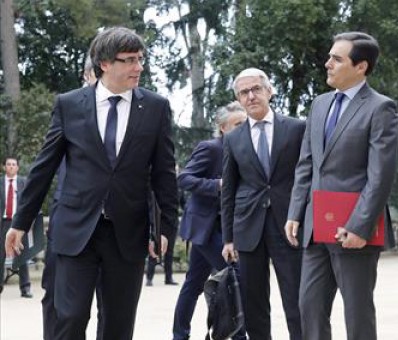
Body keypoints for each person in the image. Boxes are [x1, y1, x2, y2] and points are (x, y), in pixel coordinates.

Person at [4, 26, 178, 340]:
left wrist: (165, 227)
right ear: (104, 64)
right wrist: (21, 221)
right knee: (69, 318)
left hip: (127, 232)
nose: (138, 67)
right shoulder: (69, 105)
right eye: (129, 60)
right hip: (75, 230)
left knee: (117, 325)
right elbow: (45, 167)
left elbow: (164, 174)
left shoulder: (155, 107)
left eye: (140, 59)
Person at [285, 32, 398, 340]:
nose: (328, 64)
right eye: (329, 57)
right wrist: (296, 212)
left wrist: (360, 226)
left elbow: (380, 176)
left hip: (355, 231)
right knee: (308, 308)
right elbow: (307, 164)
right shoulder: (319, 105)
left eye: (337, 59)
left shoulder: (381, 108)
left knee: (357, 313)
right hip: (314, 228)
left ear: (361, 66)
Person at [221, 68, 305, 340]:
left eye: (256, 89)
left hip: (289, 226)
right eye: (244, 92)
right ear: (239, 98)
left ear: (269, 91)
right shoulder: (233, 138)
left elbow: (308, 177)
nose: (251, 96)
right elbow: (229, 190)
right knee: (253, 303)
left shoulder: (296, 128)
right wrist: (228, 238)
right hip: (248, 230)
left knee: (297, 300)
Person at [41, 55, 105, 340]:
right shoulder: (69, 112)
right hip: (68, 222)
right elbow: (45, 167)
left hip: (113, 227)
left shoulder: (131, 115)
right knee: (59, 301)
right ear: (88, 77)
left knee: (111, 306)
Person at [172, 101, 247, 340]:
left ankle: (179, 335)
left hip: (225, 228)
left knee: (193, 283)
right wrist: (217, 185)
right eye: (238, 124)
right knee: (234, 277)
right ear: (223, 128)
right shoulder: (211, 148)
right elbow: (184, 178)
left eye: (245, 123)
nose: (243, 128)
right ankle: (236, 335)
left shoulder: (245, 151)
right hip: (204, 227)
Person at [0, 157, 33, 297]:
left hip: (18, 223)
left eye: (14, 164)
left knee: (22, 255)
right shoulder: (1, 182)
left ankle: (25, 288)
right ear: (4, 167)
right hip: (3, 222)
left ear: (18, 167)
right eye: (9, 164)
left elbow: (30, 201)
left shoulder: (24, 182)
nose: (11, 167)